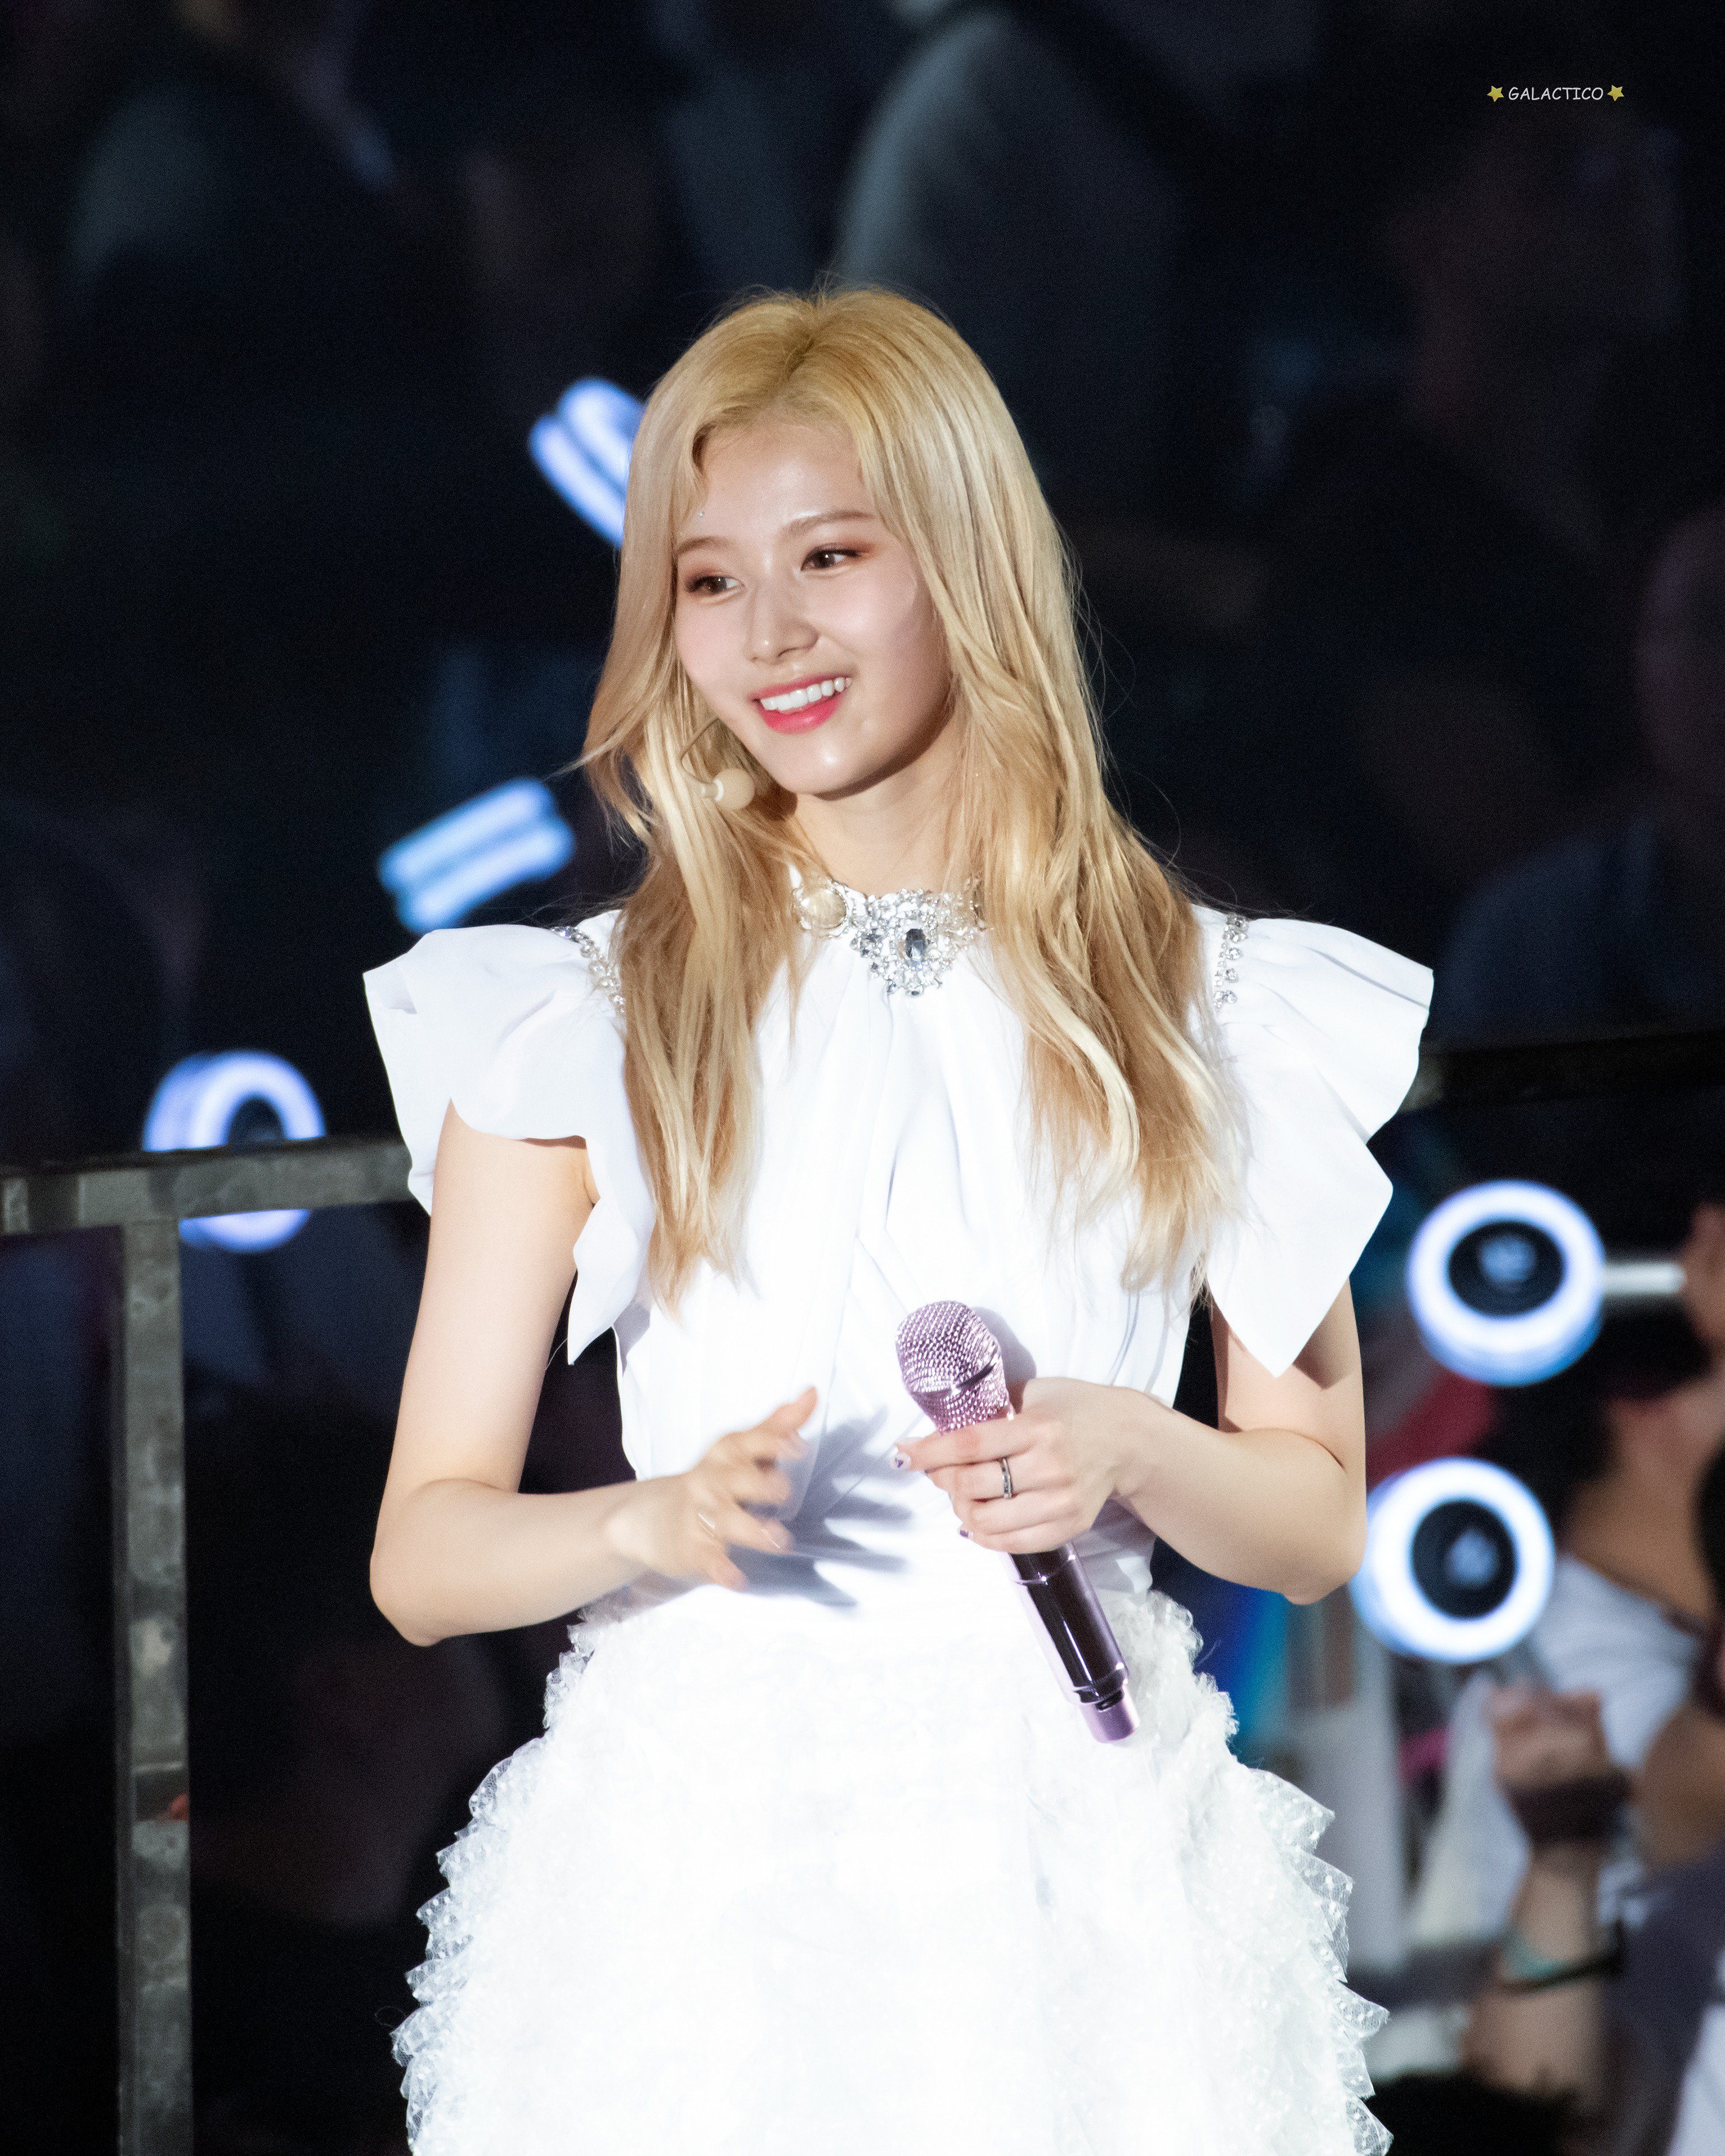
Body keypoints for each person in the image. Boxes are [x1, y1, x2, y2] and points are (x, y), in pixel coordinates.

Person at [362, 287, 1432, 2153]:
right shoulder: (577, 1024)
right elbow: (423, 1551)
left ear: (963, 559)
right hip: (705, 1879)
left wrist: (1132, 1447)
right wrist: (648, 1521)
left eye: (831, 557)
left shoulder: (1214, 1006)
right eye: (708, 581)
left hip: (1076, 1870)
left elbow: (1315, 1521)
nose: (767, 632)